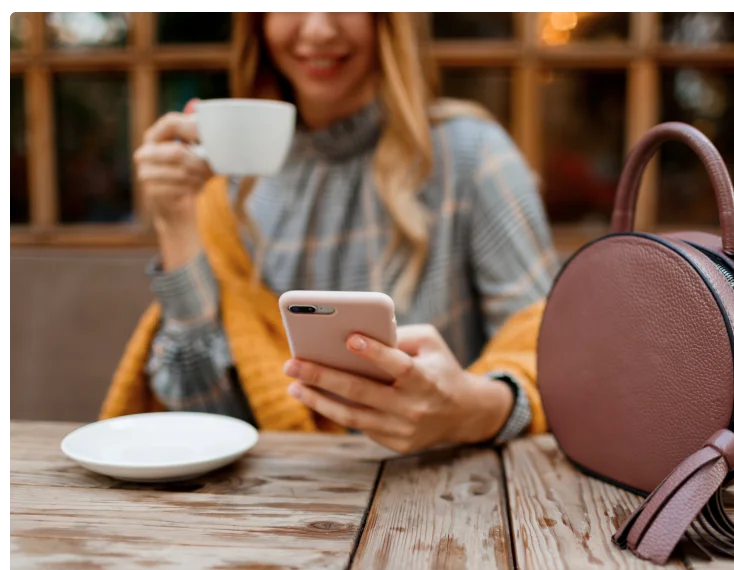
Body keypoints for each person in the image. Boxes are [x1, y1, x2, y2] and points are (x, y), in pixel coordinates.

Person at [100, 11, 559, 455]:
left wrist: (473, 411)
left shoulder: (472, 156)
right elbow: (203, 417)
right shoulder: (231, 188)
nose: (318, 29)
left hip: (437, 509)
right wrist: (177, 225)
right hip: (274, 512)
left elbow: (555, 365)